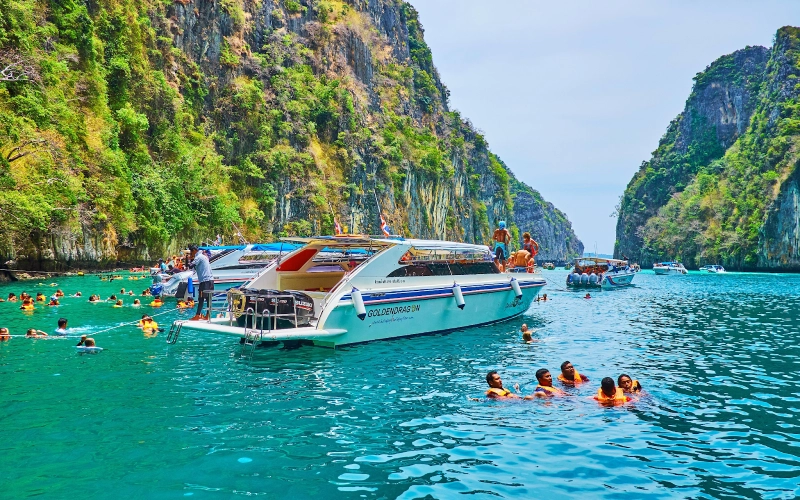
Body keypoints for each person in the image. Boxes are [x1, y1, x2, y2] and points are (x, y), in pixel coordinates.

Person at [187, 244, 214, 321]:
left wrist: (188, 258)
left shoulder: (198, 257)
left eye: (191, 252)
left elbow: (190, 266)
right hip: (210, 280)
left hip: (204, 281)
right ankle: (208, 315)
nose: (191, 254)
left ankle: (197, 315)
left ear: (194, 251)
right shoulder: (204, 256)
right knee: (208, 299)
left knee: (201, 298)